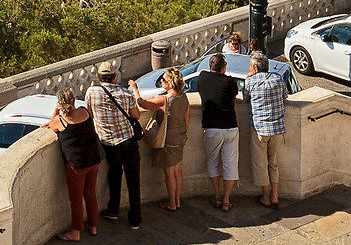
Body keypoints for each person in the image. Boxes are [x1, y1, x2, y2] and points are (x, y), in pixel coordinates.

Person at [85, 62, 156, 227]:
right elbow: (136, 116)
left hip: (108, 143)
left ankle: (113, 210)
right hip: (128, 142)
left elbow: (89, 114)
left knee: (114, 175)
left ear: (98, 77)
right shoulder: (125, 93)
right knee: (133, 180)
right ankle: (135, 219)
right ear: (115, 77)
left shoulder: (91, 92)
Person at [46, 90, 101, 241]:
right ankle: (93, 226)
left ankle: (76, 232)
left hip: (77, 166)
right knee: (90, 194)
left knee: (76, 199)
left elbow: (50, 125)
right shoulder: (85, 112)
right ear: (74, 100)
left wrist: (56, 111)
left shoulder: (61, 121)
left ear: (60, 104)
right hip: (93, 160)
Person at [242, 46, 291, 209]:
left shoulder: (250, 81)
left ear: (255, 69)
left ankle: (266, 196)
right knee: (273, 163)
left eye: (250, 67)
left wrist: (248, 78)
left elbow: (245, 99)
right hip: (277, 128)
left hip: (260, 130)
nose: (249, 69)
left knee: (260, 164)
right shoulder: (278, 79)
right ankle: (275, 195)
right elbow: (285, 97)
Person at [194, 51, 242, 210]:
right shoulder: (230, 82)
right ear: (224, 68)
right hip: (230, 127)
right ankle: (227, 200)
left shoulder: (202, 77)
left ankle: (217, 196)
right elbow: (233, 96)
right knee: (230, 165)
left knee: (213, 163)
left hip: (212, 128)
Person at [151, 66, 190, 209]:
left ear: (170, 83)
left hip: (169, 140)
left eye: (163, 80)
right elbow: (187, 120)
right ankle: (177, 201)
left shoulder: (165, 99)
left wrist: (135, 90)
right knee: (177, 170)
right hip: (180, 138)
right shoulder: (184, 97)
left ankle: (172, 203)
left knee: (169, 173)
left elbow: (143, 104)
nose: (161, 81)